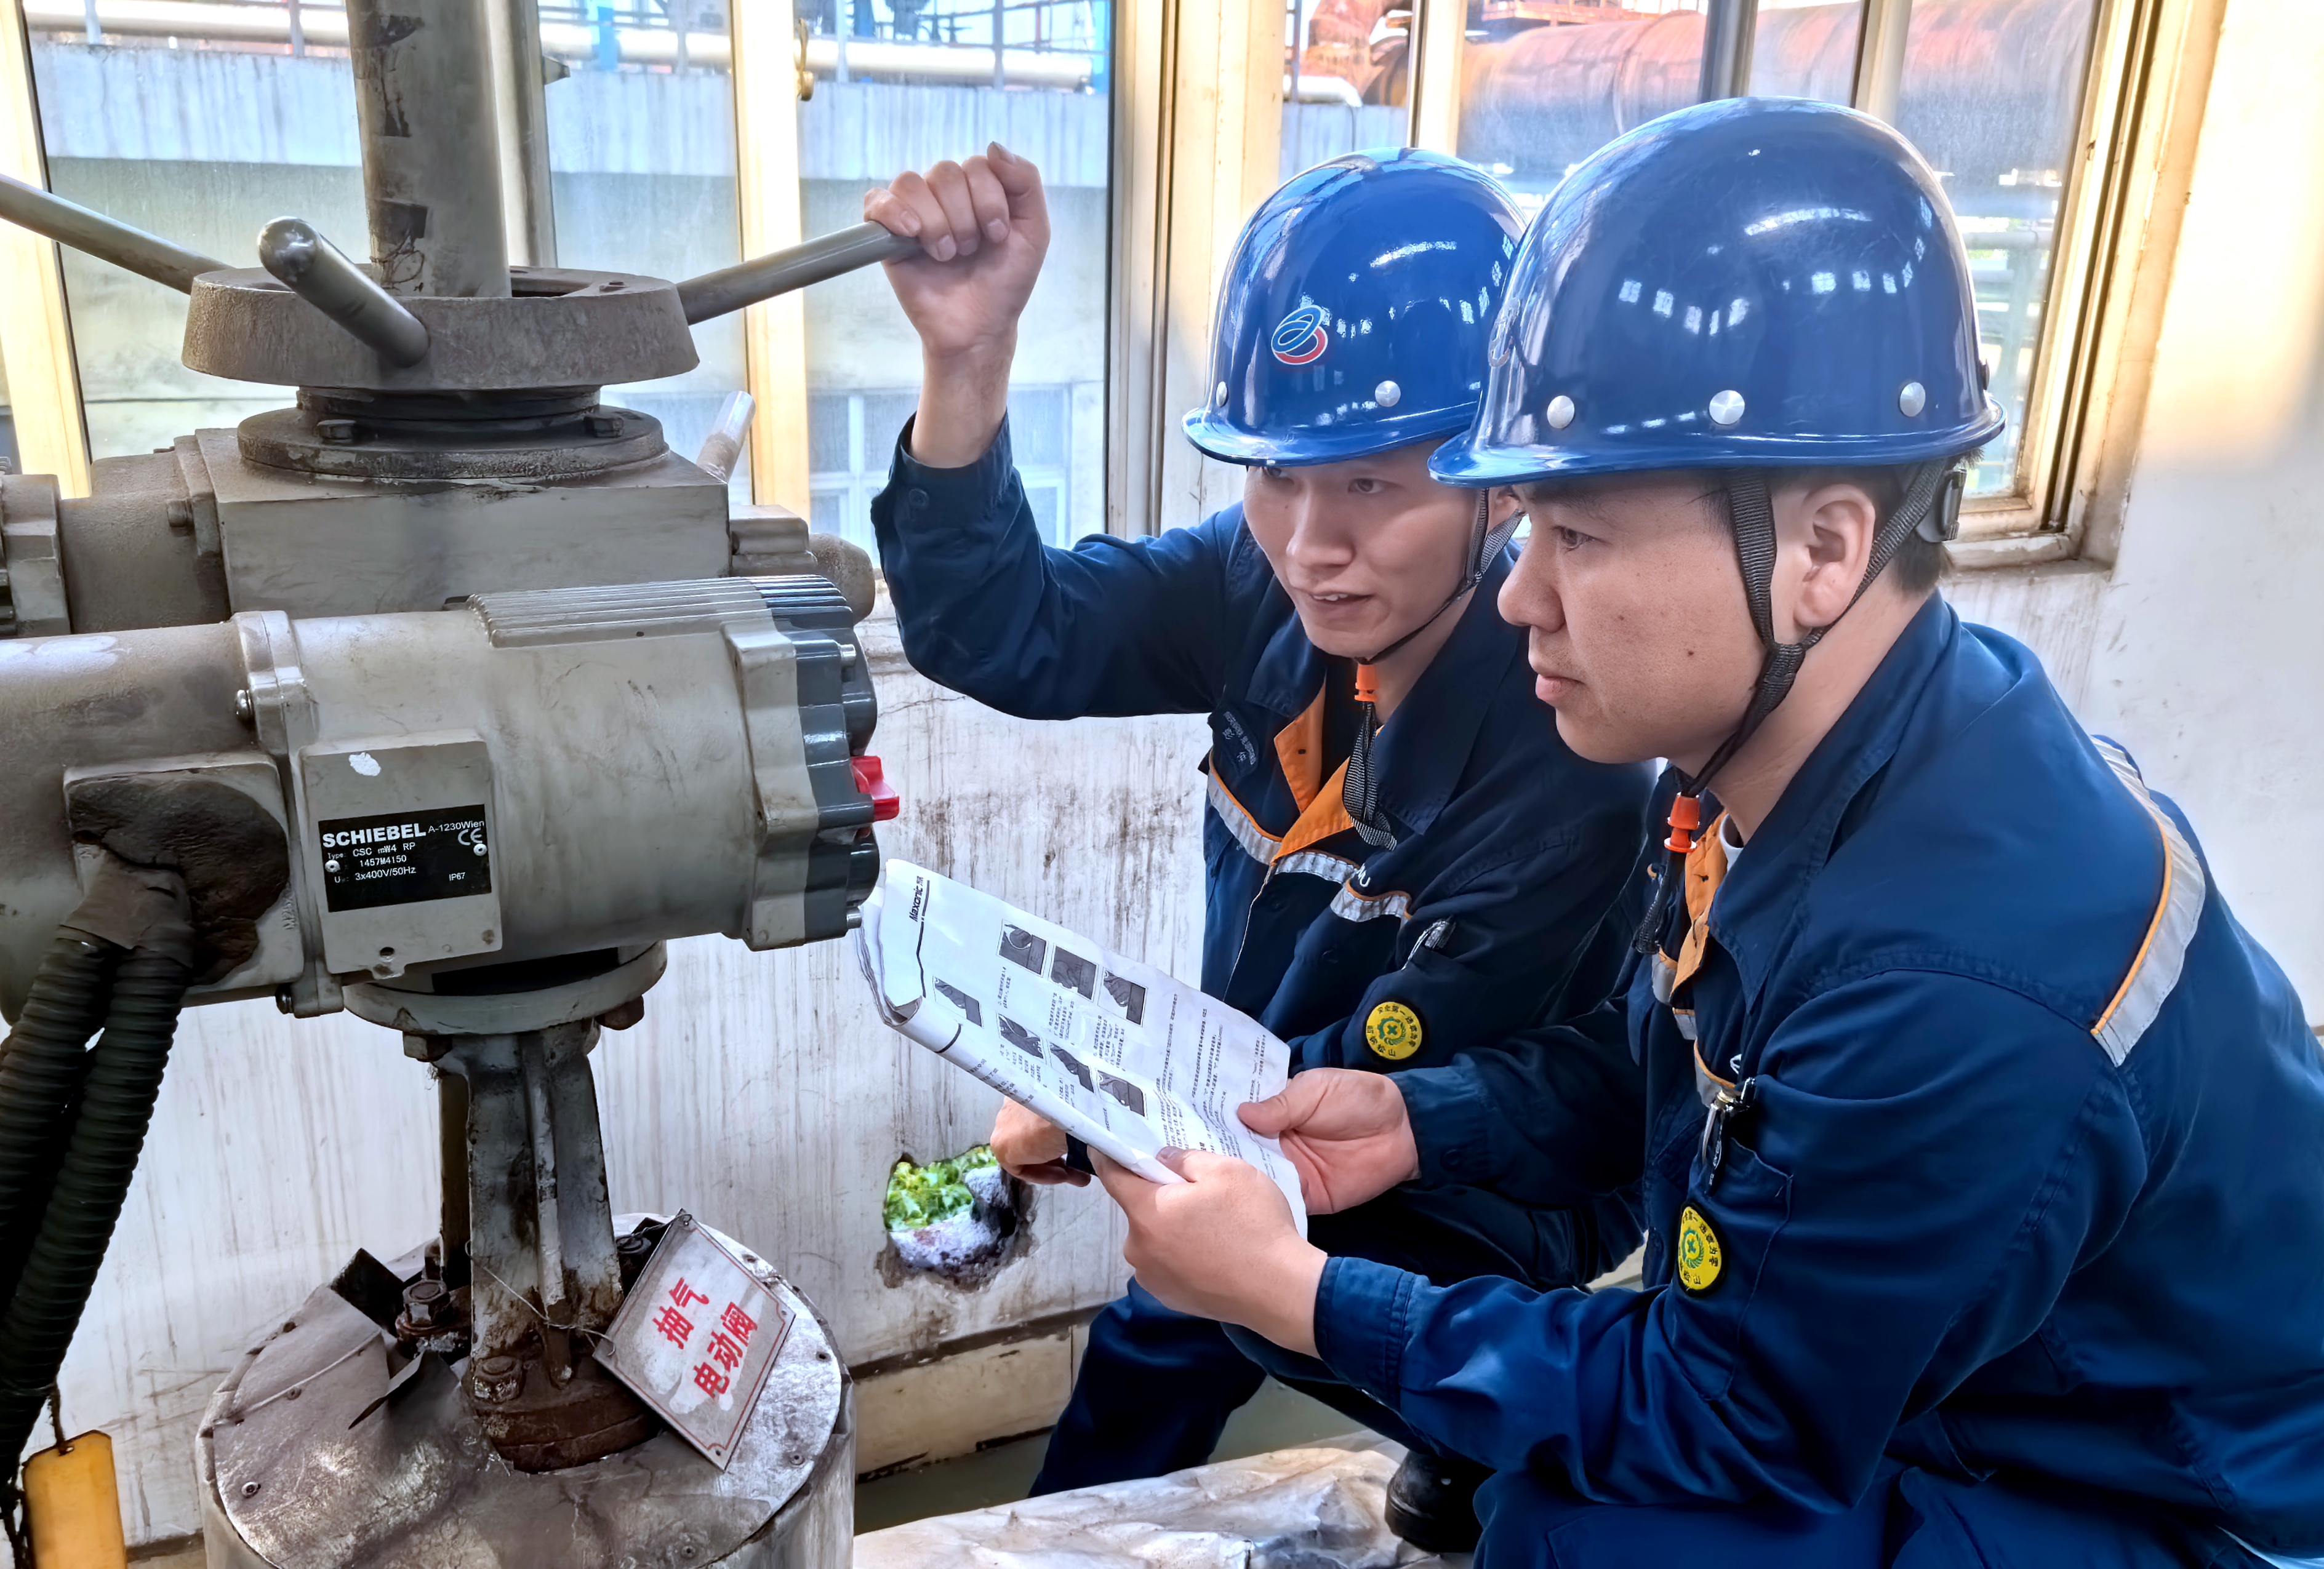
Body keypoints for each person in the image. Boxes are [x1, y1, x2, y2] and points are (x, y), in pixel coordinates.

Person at [1086, 97, 2324, 1567]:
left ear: (1821, 551)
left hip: (2170, 1498)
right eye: (1525, 529)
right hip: (1991, 1386)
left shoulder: (1959, 971)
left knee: (1589, 1535)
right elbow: (1658, 1061)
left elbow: (1730, 1415)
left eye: (1579, 537)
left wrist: (1298, 1297)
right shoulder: (1826, 757)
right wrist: (1419, 1122)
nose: (1518, 595)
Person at [863, 144, 1654, 1544]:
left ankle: (1492, 1459)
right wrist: (966, 359)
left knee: (1246, 1293)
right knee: (1163, 1327)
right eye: (1277, 475)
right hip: (1266, 1083)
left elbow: (1378, 1087)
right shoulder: (1260, 585)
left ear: (1501, 484)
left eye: (1371, 485)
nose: (1308, 544)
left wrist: (1098, 1110)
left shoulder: (1565, 756)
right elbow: (1002, 631)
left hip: (1480, 1160)